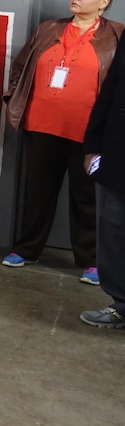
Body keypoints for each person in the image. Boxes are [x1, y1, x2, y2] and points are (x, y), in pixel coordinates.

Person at [1, 0, 125, 284]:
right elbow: (20, 67)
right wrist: (13, 96)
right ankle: (26, 249)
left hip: (88, 133)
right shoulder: (48, 29)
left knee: (87, 199)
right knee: (37, 192)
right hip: (41, 126)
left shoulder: (117, 35)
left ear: (104, 2)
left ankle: (91, 261)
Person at [80, 42, 125, 327]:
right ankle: (121, 303)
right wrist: (92, 146)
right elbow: (109, 93)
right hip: (117, 154)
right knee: (113, 231)